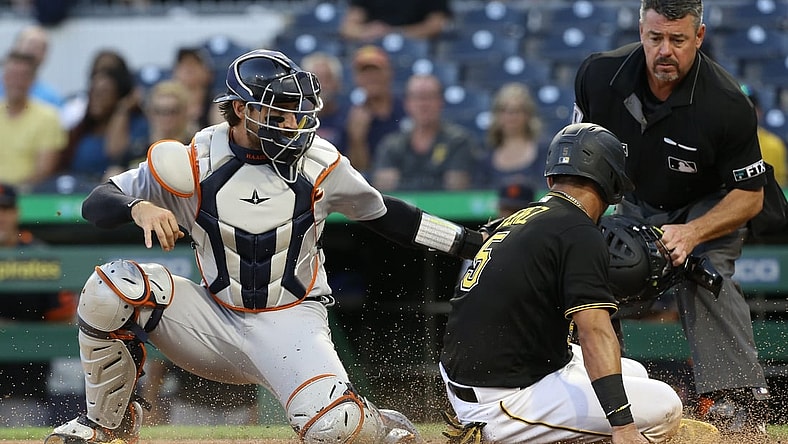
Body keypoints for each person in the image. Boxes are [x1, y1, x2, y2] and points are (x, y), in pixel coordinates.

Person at [44, 49, 483, 444]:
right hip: (212, 318)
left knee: (334, 430)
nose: (294, 123)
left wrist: (470, 242)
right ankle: (108, 427)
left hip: (291, 322)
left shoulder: (322, 162)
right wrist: (138, 207)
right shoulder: (196, 156)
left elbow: (390, 215)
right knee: (110, 286)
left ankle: (377, 425)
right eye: (281, 111)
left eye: (298, 111)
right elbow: (96, 203)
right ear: (240, 109)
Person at [573, 0, 771, 435]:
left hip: (710, 202)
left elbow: (750, 196)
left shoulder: (726, 101)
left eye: (678, 40)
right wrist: (577, 233)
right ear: (640, 29)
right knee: (589, 267)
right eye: (655, 37)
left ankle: (734, 404)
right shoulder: (597, 75)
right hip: (636, 199)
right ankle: (587, 390)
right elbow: (582, 162)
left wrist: (692, 232)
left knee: (705, 272)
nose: (666, 50)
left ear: (698, 37)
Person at [440, 123, 683, 443]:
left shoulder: (526, 216)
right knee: (665, 407)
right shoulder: (578, 230)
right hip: (502, 403)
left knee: (633, 374)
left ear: (551, 178)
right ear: (612, 184)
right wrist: (622, 427)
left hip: (481, 377)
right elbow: (594, 331)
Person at [0, 183, 78, 426]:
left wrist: (16, 332)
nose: (1, 217)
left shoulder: (39, 254)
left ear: (16, 213)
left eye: (5, 209)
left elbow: (66, 319)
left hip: (23, 388)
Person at [371, 74, 482, 191]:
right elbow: (386, 190)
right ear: (407, 103)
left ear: (441, 102)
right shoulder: (392, 145)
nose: (423, 104)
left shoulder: (458, 141)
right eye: (417, 97)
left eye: (429, 97)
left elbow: (456, 188)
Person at [55, 65, 147, 185]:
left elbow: (115, 151)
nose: (96, 98)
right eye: (93, 91)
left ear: (118, 95)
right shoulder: (81, 129)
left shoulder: (136, 125)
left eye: (104, 92)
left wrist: (122, 109)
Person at [0, 50, 67, 190]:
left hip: (27, 196)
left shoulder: (48, 117)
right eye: (12, 75)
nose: (16, 82)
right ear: (4, 77)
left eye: (23, 76)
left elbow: (44, 170)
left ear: (33, 81)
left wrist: (11, 192)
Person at [345, 45, 405, 174]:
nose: (371, 77)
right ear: (357, 79)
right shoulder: (352, 117)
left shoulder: (406, 109)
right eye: (365, 73)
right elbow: (356, 172)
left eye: (376, 71)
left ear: (389, 73)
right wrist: (357, 140)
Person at [476, 82, 546, 190]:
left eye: (517, 111)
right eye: (504, 110)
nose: (511, 117)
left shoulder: (544, 152)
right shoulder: (485, 157)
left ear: (528, 115)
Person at [0, 25, 62, 108]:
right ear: (16, 47)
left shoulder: (51, 98)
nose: (33, 52)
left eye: (39, 48)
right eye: (30, 45)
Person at [300, 52, 349, 151]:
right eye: (315, 80)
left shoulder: (349, 118)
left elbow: (359, 165)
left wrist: (357, 139)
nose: (320, 86)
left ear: (337, 83)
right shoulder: (292, 118)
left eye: (327, 79)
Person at [339, 0, 452, 42]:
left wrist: (396, 33)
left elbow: (436, 24)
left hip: (413, 47)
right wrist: (366, 31)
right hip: (374, 47)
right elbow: (348, 28)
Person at [742, 84, 787, 186]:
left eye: (752, 108)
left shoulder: (774, 145)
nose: (745, 113)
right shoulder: (722, 143)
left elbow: (779, 185)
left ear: (760, 112)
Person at [170, 46, 216, 132]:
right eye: (183, 64)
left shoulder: (217, 106)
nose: (189, 68)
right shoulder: (165, 106)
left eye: (194, 64)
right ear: (175, 72)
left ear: (207, 72)